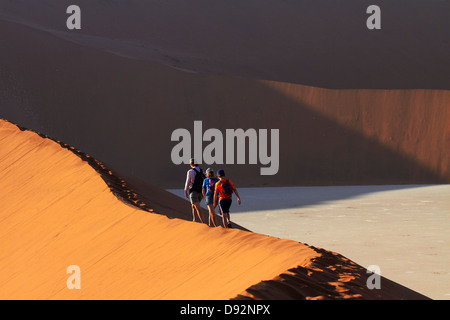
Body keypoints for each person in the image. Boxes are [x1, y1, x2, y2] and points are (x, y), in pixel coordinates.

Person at [184, 158, 205, 223]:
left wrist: (185, 190)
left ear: (191, 164)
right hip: (200, 192)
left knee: (198, 208)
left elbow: (188, 181)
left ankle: (203, 223)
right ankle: (194, 220)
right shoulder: (202, 171)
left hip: (193, 192)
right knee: (194, 206)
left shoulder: (190, 171)